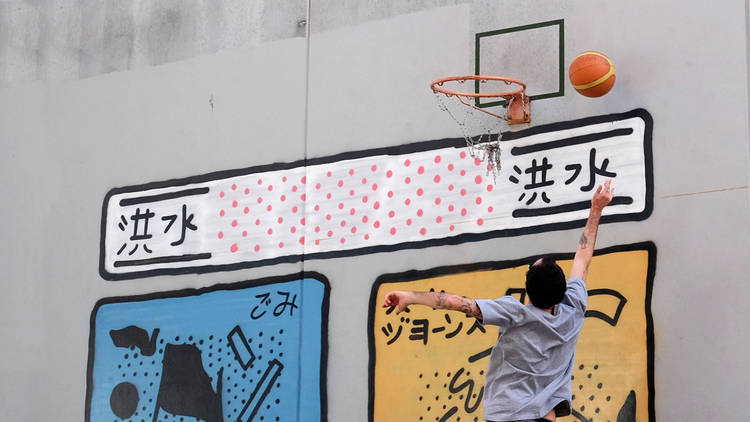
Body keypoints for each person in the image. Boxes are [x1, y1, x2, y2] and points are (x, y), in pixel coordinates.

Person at [382, 180, 615, 422]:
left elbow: (455, 302)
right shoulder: (573, 309)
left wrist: (410, 297)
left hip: (508, 416)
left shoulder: (515, 313)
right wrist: (596, 210)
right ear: (562, 288)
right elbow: (583, 256)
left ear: (529, 291)